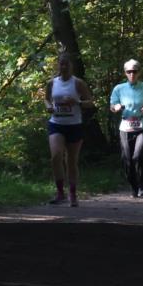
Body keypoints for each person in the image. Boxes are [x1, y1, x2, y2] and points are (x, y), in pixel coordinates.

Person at [44, 53, 96, 207]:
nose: (64, 67)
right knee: (56, 156)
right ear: (58, 66)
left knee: (71, 161)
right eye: (62, 64)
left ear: (71, 66)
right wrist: (48, 106)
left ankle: (73, 193)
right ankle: (60, 193)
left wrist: (77, 102)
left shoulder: (78, 83)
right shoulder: (52, 83)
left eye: (67, 64)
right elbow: (47, 98)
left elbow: (91, 103)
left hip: (74, 125)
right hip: (56, 123)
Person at [110, 59, 143, 198]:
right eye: (129, 72)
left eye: (134, 71)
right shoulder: (119, 88)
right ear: (125, 73)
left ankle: (142, 186)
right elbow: (112, 106)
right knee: (127, 158)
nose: (132, 74)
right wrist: (116, 107)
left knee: (138, 155)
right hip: (125, 126)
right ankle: (133, 186)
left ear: (139, 72)